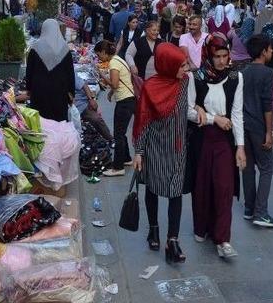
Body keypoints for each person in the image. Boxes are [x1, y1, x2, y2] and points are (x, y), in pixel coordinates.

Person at [189, 33, 246, 258]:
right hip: (202, 138)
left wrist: (240, 146)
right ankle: (203, 227)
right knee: (203, 187)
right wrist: (214, 119)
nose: (222, 61)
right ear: (208, 56)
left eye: (225, 55)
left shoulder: (235, 78)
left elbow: (237, 113)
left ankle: (223, 238)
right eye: (217, 56)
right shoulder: (197, 77)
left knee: (224, 187)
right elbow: (189, 111)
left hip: (225, 139)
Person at [132, 42, 191, 264]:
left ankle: (172, 240)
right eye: (181, 65)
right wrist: (139, 151)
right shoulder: (151, 87)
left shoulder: (185, 84)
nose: (185, 69)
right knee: (153, 189)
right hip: (154, 148)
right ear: (168, 65)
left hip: (178, 149)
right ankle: (154, 228)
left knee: (176, 192)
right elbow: (144, 121)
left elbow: (192, 108)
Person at [241, 34, 273, 227]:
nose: (272, 51)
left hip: (244, 124)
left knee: (248, 168)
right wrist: (269, 132)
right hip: (258, 125)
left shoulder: (244, 72)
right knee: (266, 168)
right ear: (263, 51)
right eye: (270, 49)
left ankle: (249, 207)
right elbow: (267, 104)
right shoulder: (268, 73)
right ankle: (261, 212)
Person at [95, 40, 137, 176]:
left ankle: (118, 167)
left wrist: (102, 76)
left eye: (99, 55)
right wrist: (112, 93)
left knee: (118, 134)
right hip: (129, 99)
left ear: (103, 52)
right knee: (122, 132)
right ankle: (126, 158)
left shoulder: (113, 63)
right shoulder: (119, 59)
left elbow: (114, 84)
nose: (99, 58)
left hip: (124, 101)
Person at [25, 19, 76, 122]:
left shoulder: (35, 48)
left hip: (39, 90)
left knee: (41, 121)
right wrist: (71, 92)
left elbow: (29, 71)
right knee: (58, 121)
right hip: (59, 91)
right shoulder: (64, 48)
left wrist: (29, 88)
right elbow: (70, 73)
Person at [74, 74, 113, 141]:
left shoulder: (69, 74)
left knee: (96, 119)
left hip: (80, 105)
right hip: (66, 109)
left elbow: (84, 85)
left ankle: (109, 138)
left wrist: (91, 99)